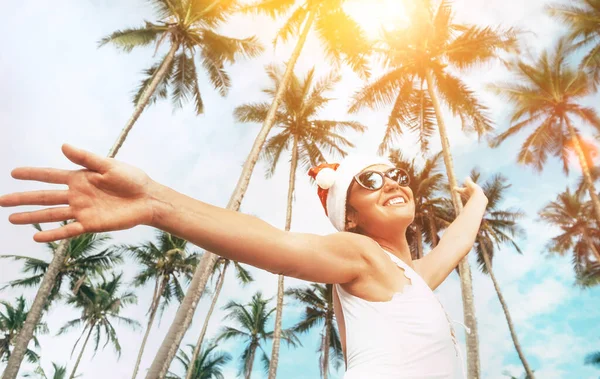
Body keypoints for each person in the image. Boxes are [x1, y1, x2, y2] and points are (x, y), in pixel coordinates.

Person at [0, 144, 488, 378]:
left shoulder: (411, 280)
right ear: (351, 218)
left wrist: (479, 202)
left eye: (396, 174)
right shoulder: (360, 255)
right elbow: (276, 245)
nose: (393, 183)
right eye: (371, 181)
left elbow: (454, 244)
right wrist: (154, 202)